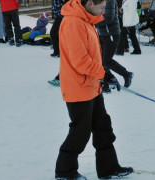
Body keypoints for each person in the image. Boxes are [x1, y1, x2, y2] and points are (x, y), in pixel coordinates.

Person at [55, 0, 133, 179]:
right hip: (78, 88)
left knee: (103, 127)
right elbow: (80, 60)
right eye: (102, 6)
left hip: (91, 86)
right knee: (80, 132)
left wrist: (103, 75)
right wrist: (104, 74)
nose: (104, 11)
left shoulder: (87, 20)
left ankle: (109, 168)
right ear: (90, 3)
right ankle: (65, 172)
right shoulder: (74, 22)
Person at [95, 0, 134, 87]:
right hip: (103, 34)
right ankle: (107, 81)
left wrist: (93, 22)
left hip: (111, 34)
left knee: (106, 61)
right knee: (101, 60)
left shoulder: (110, 1)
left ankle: (126, 74)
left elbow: (109, 17)